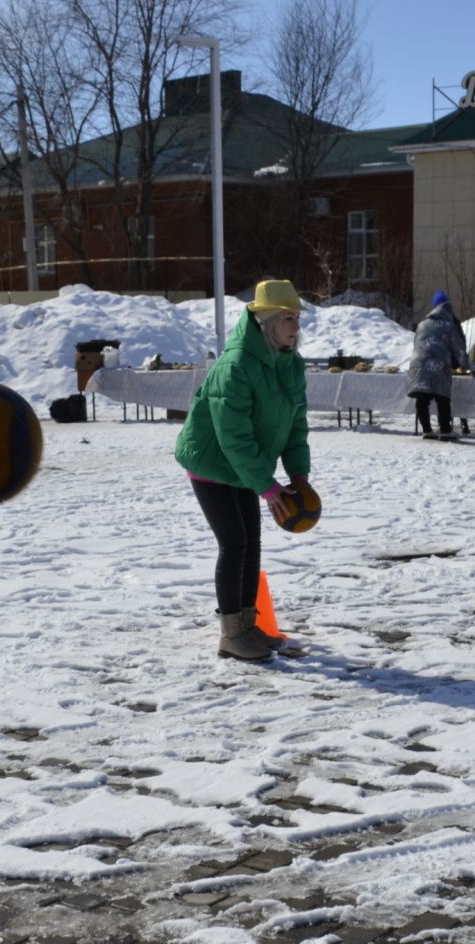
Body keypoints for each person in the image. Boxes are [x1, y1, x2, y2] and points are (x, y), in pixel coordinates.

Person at [173, 279, 311, 662]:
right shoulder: (235, 367)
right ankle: (231, 636)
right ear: (266, 322)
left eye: (298, 318)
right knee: (234, 543)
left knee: (252, 543)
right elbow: (233, 438)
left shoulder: (290, 365)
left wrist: (298, 476)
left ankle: (249, 626)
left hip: (245, 468)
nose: (296, 327)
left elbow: (296, 426)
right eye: (288, 318)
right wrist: (267, 486)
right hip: (212, 463)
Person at [406, 290, 467, 438]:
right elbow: (458, 348)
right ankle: (446, 430)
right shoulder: (449, 325)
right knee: (442, 397)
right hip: (439, 366)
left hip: (419, 365)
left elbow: (416, 344)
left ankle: (427, 430)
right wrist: (465, 365)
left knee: (422, 398)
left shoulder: (421, 324)